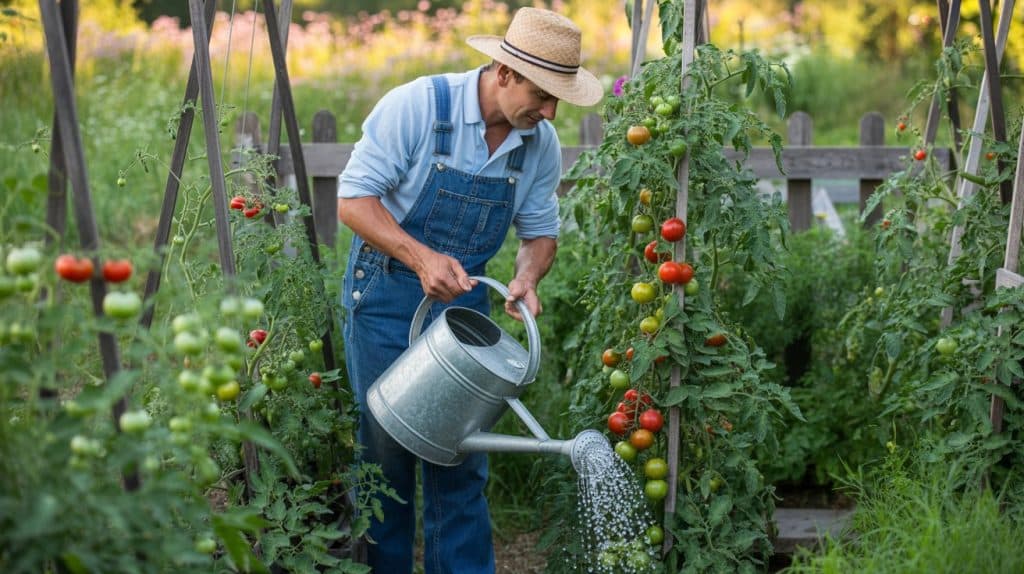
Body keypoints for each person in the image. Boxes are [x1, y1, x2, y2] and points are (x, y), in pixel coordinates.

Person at [335, 6, 602, 573]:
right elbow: (354, 201)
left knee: (460, 460)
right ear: (503, 72)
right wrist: (419, 256)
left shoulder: (539, 143)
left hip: (461, 312)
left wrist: (528, 275)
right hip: (384, 297)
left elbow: (540, 231)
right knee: (386, 461)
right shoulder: (416, 108)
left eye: (558, 99)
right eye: (542, 94)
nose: (549, 111)